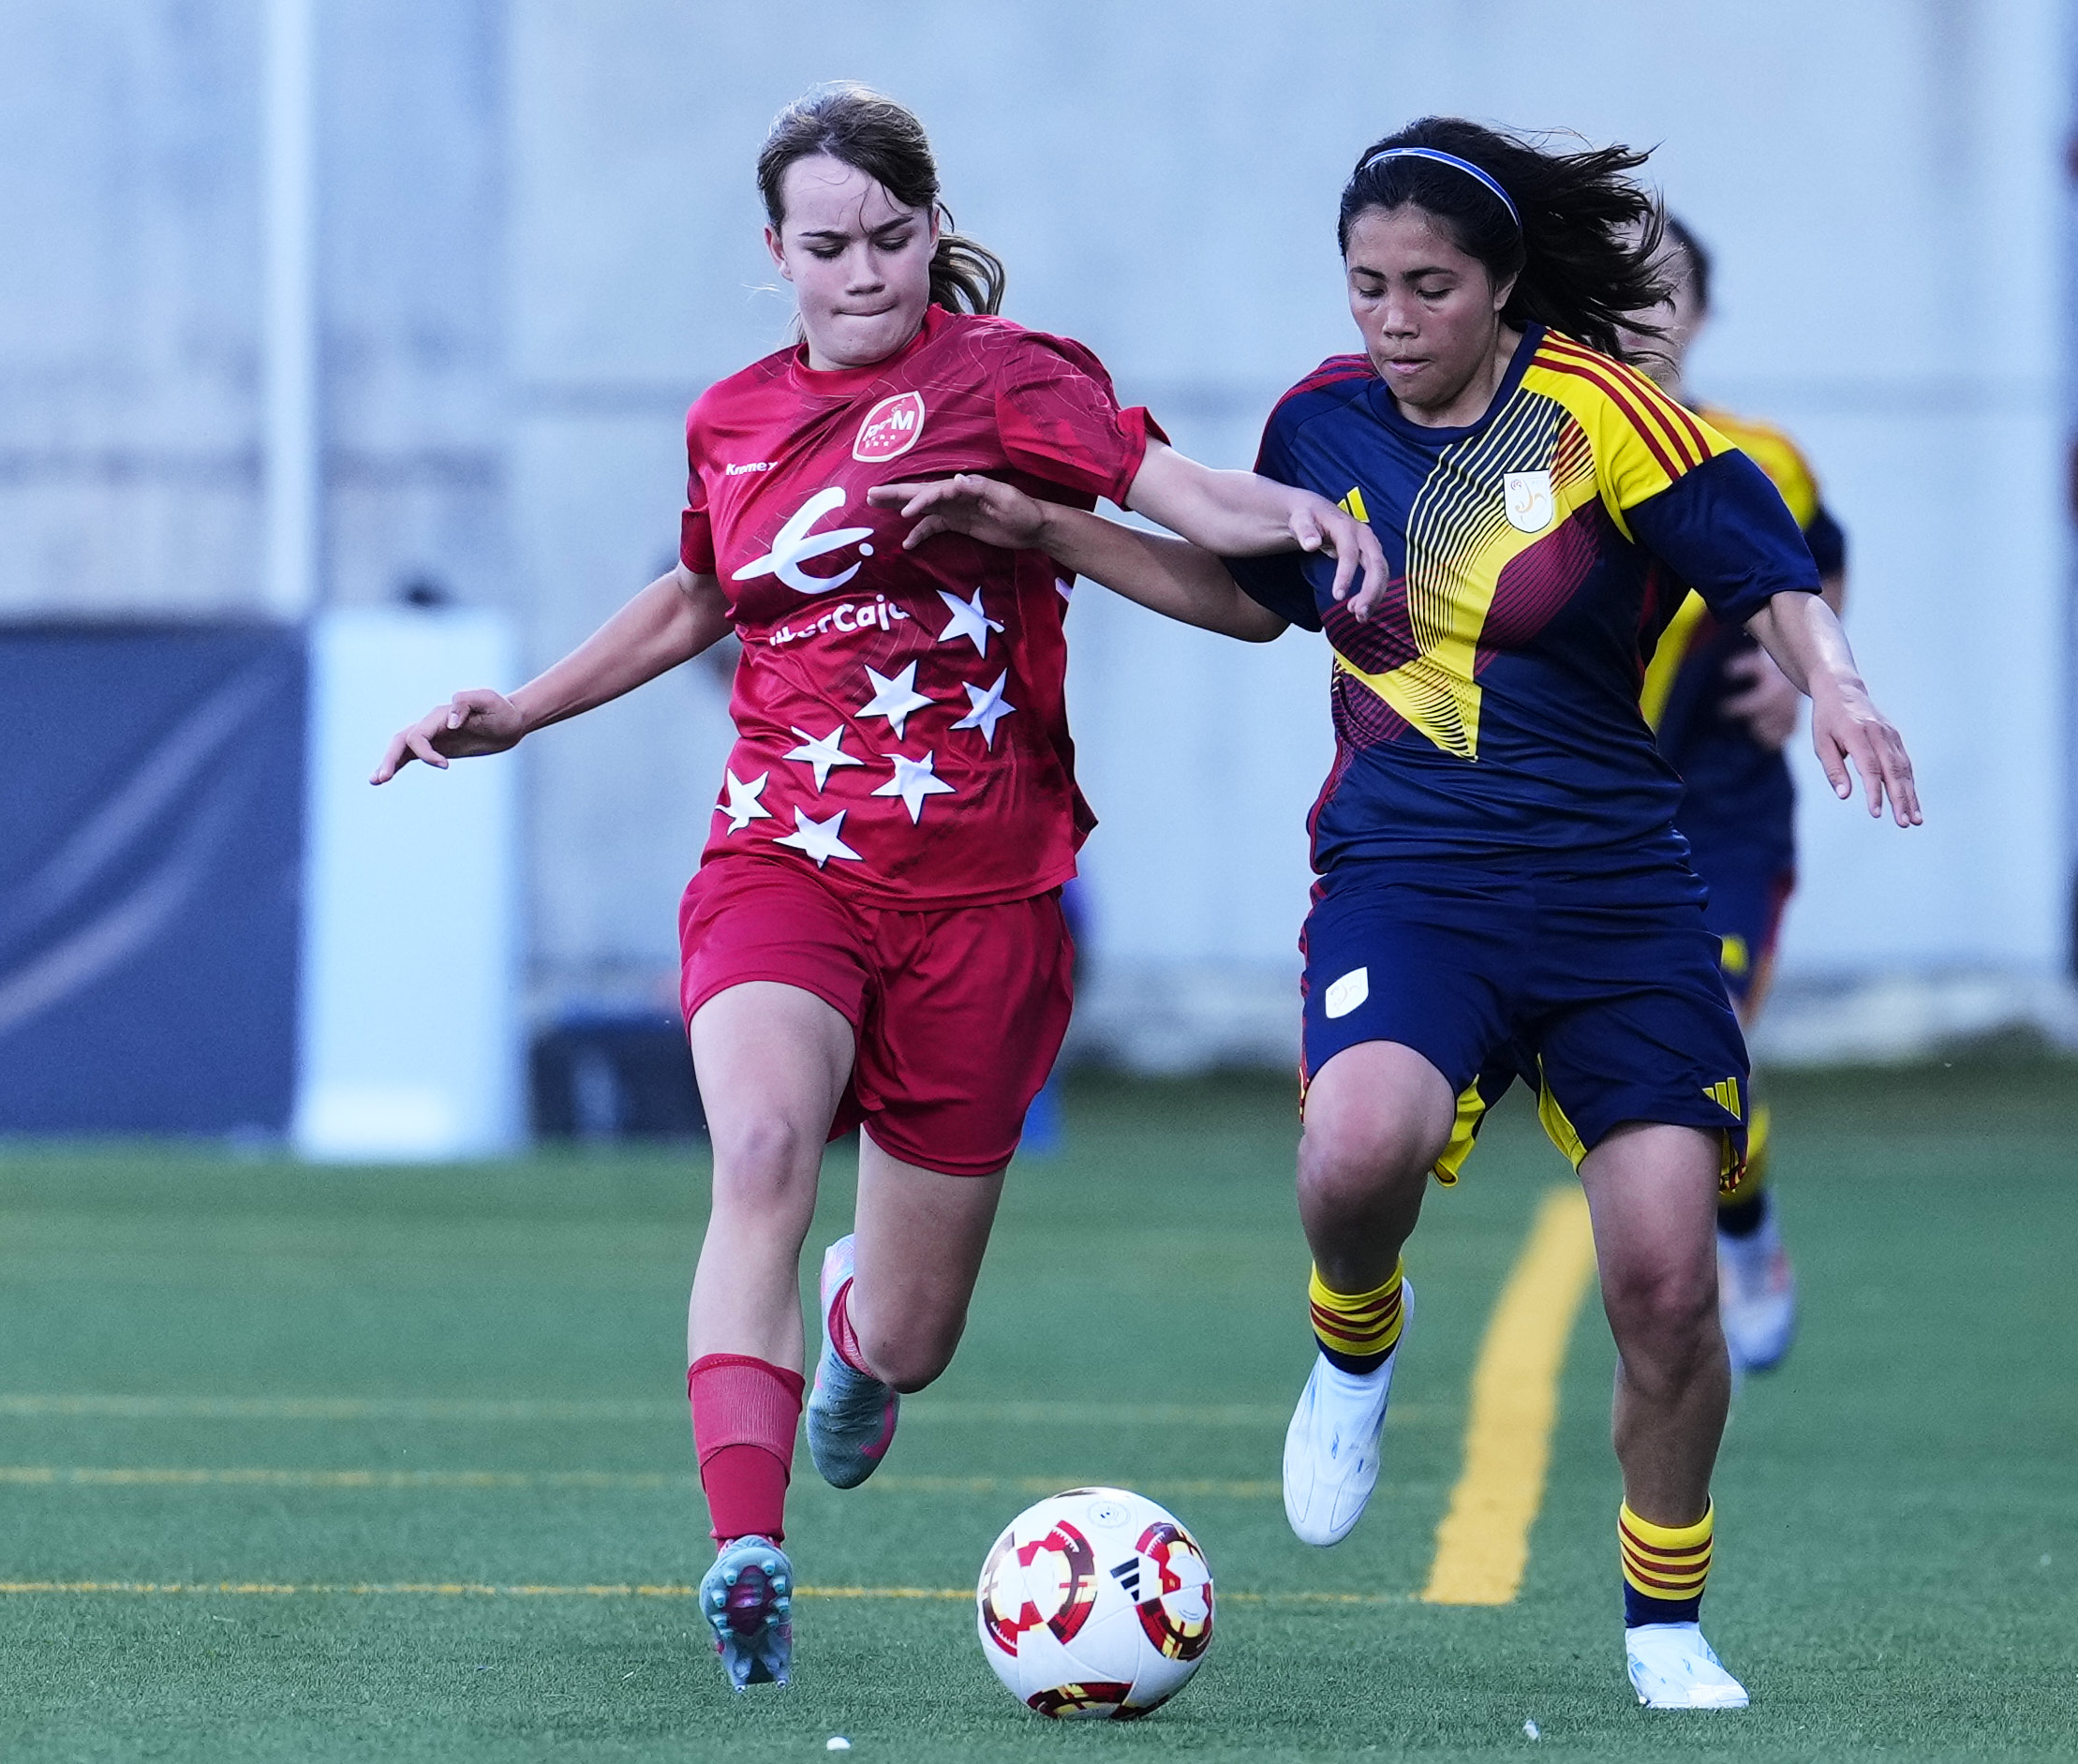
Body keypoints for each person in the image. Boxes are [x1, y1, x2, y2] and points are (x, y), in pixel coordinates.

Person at [883, 117, 1919, 1712]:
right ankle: (1356, 1337)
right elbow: (1251, 600)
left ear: (1500, 285)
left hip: (1618, 895)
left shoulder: (1599, 411)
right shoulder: (1320, 420)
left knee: (1664, 1280)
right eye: (1366, 283)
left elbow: (1767, 571)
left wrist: (1835, 686)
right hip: (1412, 876)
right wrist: (1048, 529)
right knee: (1355, 1150)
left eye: (1427, 285)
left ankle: (1663, 1618)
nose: (1391, 315)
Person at [369, 82, 1381, 1693]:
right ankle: (746, 1546)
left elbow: (1180, 496)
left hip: (984, 898)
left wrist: (1301, 516)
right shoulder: (730, 418)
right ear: (774, 251)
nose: (864, 272)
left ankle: (857, 1335)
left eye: (892, 239)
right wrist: (522, 711)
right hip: (784, 860)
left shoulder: (1010, 378)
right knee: (762, 1148)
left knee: (912, 1336)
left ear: (932, 230)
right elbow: (696, 594)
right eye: (829, 245)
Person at [1623, 215, 1851, 1374]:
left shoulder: (1758, 458)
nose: (1633, 311)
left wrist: (1800, 667)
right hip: (1575, 812)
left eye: (1659, 290)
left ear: (1700, 314)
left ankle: (1745, 1235)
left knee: (1698, 1040)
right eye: (1609, 286)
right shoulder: (1522, 456)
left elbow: (1819, 562)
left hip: (1716, 810)